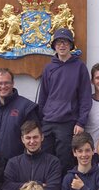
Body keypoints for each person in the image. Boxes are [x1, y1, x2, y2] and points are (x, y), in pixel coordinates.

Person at [37, 28, 92, 175]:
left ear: (71, 45)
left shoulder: (79, 67)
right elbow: (43, 96)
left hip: (67, 122)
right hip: (48, 121)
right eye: (59, 42)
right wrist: (41, 121)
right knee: (46, 159)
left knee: (65, 160)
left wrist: (81, 122)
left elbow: (85, 97)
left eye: (65, 42)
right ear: (54, 46)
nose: (62, 45)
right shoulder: (49, 68)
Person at [0, 68, 39, 188]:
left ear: (13, 83)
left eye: (6, 82)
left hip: (14, 170)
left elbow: (33, 140)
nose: (3, 86)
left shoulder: (26, 107)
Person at [2, 120, 62, 190]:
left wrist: (20, 188)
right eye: (28, 138)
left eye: (35, 137)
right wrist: (38, 185)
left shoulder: (53, 162)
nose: (32, 141)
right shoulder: (13, 162)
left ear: (42, 137)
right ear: (22, 139)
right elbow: (7, 188)